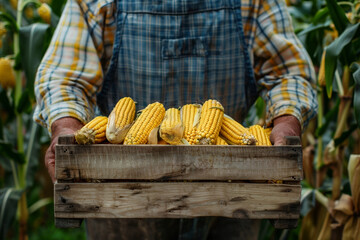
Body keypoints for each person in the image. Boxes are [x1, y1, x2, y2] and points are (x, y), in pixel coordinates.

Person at [34, 0, 317, 239]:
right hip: (121, 193)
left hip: (230, 192)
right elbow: (63, 77)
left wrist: (286, 123)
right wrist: (67, 127)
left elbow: (287, 72)